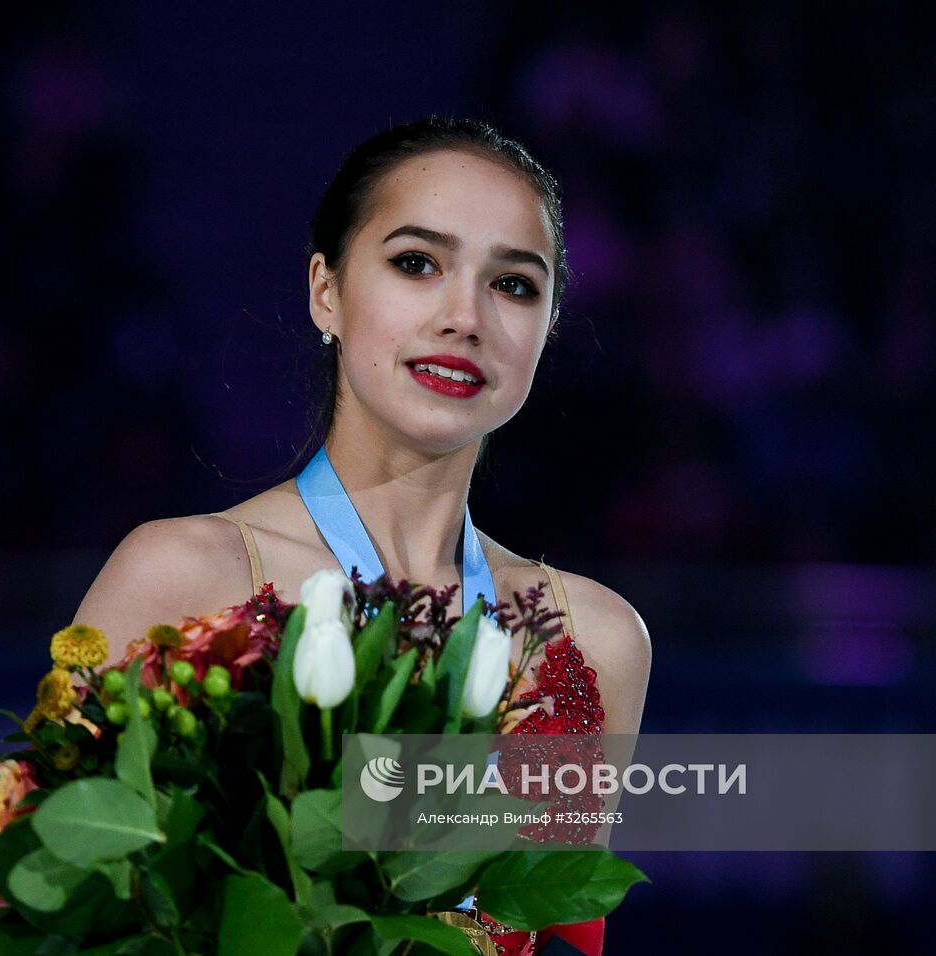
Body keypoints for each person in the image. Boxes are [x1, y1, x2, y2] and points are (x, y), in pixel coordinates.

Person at [74, 116, 652, 956]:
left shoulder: (597, 639)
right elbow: (47, 906)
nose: (466, 317)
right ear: (327, 291)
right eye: (417, 263)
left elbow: (554, 925)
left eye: (515, 285)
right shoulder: (182, 578)